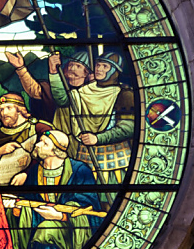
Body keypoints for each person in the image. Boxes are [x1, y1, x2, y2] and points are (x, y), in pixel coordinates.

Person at [8, 127, 102, 249]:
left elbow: (89, 205)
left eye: (44, 144)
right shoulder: (35, 172)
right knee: (43, 229)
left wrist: (61, 216)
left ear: (56, 151)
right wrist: (18, 208)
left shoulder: (79, 170)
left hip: (72, 230)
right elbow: (28, 202)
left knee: (46, 231)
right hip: (40, 226)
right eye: (40, 142)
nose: (37, 145)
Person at [48, 50, 134, 182]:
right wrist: (54, 73)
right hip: (84, 157)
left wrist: (98, 138)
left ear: (115, 71)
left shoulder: (124, 94)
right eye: (98, 65)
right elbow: (62, 100)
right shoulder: (85, 90)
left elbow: (127, 128)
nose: (99, 69)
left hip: (113, 161)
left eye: (105, 66)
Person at [4, 49, 92, 123]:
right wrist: (20, 68)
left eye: (78, 66)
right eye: (71, 65)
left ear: (86, 72)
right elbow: (34, 90)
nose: (72, 68)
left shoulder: (91, 91)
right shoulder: (50, 88)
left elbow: (62, 100)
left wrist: (53, 72)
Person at [0, 93, 39, 176]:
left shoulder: (38, 128)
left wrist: (26, 174)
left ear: (19, 110)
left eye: (9, 108)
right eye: (1, 110)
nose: (4, 113)